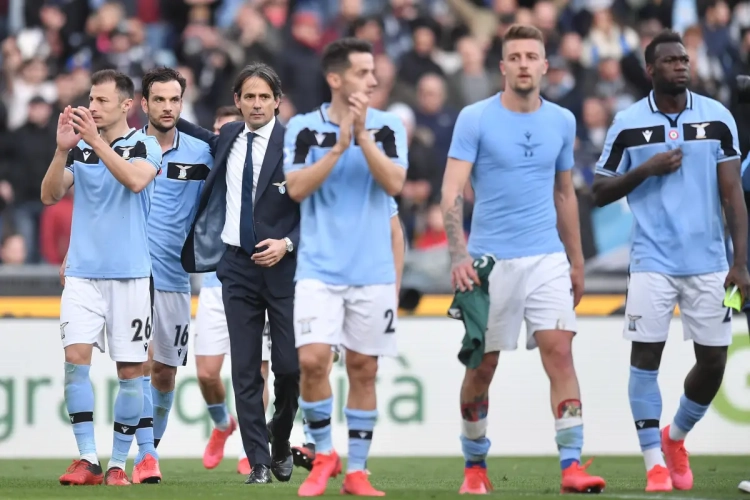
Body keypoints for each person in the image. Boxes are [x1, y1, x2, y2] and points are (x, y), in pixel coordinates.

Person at [441, 24, 606, 495]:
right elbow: (452, 190)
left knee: (559, 351)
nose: (524, 64)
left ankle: (572, 465)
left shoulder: (563, 120)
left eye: (532, 56)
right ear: (502, 67)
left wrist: (576, 261)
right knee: (483, 368)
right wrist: (458, 253)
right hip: (490, 263)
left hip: (546, 257)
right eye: (514, 57)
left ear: (545, 65)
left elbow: (564, 193)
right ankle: (475, 466)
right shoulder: (475, 117)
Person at [592, 29, 749, 493]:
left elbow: (732, 195)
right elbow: (599, 191)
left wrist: (740, 262)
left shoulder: (717, 118)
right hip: (651, 261)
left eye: (684, 58)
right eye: (670, 60)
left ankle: (674, 437)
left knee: (715, 362)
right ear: (651, 70)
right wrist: (646, 169)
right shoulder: (628, 122)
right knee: (646, 360)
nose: (681, 65)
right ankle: (653, 465)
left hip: (709, 263)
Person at [283, 37, 408, 497]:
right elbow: (296, 188)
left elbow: (395, 182)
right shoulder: (301, 127)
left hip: (373, 271)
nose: (372, 80)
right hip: (318, 268)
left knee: (363, 368)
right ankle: (323, 454)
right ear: (335, 79)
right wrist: (338, 148)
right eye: (362, 72)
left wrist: (362, 136)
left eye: (373, 72)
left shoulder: (389, 125)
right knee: (312, 361)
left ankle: (356, 471)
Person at [179, 63, 300, 485]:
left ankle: (280, 440)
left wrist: (287, 243)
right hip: (236, 268)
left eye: (264, 96)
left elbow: (315, 209)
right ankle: (259, 463)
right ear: (237, 102)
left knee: (288, 367)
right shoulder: (229, 136)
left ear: (277, 101)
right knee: (245, 370)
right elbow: (190, 130)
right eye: (248, 96)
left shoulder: (295, 144)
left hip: (283, 269)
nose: (256, 103)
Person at [40, 69, 161, 486]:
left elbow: (134, 180)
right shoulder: (79, 150)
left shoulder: (145, 143)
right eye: (90, 99)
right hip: (81, 275)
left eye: (101, 101)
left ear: (127, 106)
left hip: (129, 276)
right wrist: (61, 152)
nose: (91, 106)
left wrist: (96, 142)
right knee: (75, 363)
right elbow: (50, 195)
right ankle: (88, 459)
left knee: (130, 371)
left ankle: (118, 465)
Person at [128, 67, 214, 484]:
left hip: (175, 279)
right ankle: (146, 458)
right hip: (129, 275)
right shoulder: (124, 147)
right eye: (158, 99)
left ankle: (150, 451)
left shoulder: (202, 152)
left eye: (173, 100)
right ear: (144, 104)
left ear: (183, 102)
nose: (166, 107)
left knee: (164, 372)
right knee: (140, 365)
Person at [291, 197, 405, 472]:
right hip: (321, 281)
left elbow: (395, 233)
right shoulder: (312, 167)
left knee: (362, 370)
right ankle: (318, 446)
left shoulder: (372, 175)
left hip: (365, 283)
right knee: (316, 362)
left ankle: (355, 463)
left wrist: (393, 290)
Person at [194, 105, 271, 475]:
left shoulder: (264, 165)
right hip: (214, 282)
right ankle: (223, 424)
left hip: (258, 279)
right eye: (217, 132)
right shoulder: (204, 166)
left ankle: (252, 449)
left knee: (258, 373)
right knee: (208, 374)